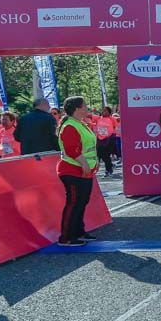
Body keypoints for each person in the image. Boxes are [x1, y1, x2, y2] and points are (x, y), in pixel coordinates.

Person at [56, 96, 99, 246]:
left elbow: (89, 147)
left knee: (82, 202)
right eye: (84, 105)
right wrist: (85, 164)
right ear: (77, 108)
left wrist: (93, 163)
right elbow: (72, 149)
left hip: (84, 170)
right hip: (72, 170)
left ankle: (79, 231)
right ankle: (66, 237)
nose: (87, 107)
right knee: (74, 203)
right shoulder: (69, 126)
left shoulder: (80, 124)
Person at [94, 107, 118, 177]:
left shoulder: (112, 119)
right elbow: (89, 116)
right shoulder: (98, 118)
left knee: (106, 155)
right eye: (103, 110)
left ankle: (108, 170)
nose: (103, 112)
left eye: (105, 111)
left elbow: (115, 125)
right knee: (99, 154)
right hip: (100, 139)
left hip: (109, 138)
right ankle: (110, 166)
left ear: (109, 112)